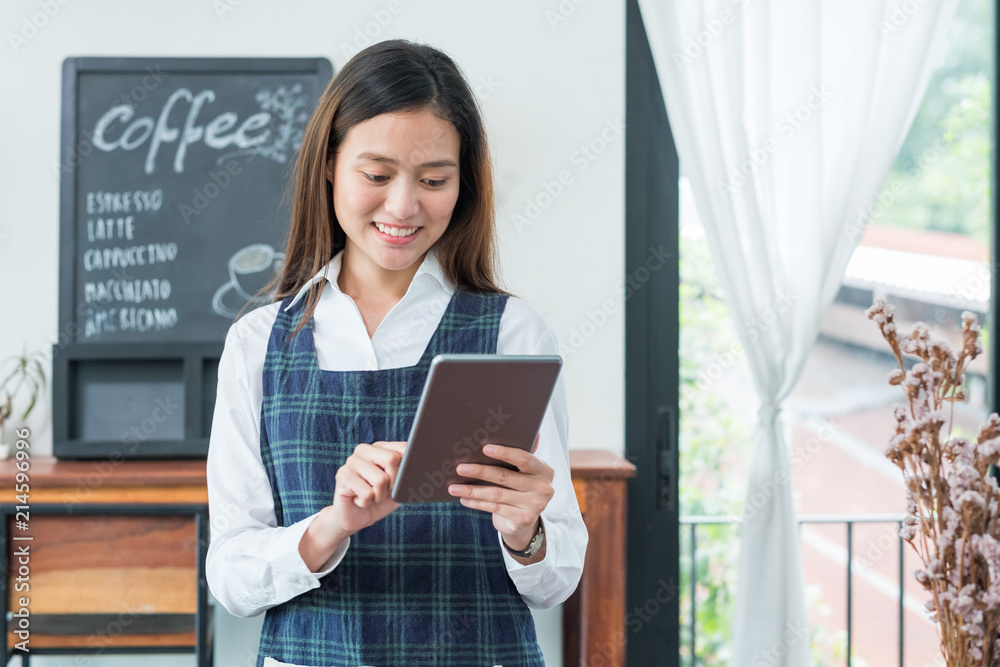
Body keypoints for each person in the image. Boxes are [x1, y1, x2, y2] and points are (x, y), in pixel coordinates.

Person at [205, 39, 588, 667]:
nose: (404, 206)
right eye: (377, 175)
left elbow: (556, 581)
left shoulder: (513, 332)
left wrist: (527, 531)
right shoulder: (258, 344)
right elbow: (231, 579)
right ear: (329, 164)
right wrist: (333, 525)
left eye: (434, 179)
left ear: (463, 184)